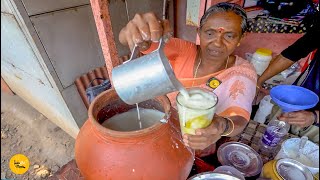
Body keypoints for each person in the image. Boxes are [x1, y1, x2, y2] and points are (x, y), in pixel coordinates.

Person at [119, 3, 257, 155]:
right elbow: (129, 39)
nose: (217, 43)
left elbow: (240, 120)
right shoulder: (181, 50)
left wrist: (221, 126)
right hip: (158, 132)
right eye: (209, 33)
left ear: (241, 38)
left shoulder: (242, 72)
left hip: (198, 146)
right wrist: (136, 31)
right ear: (199, 32)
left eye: (229, 36)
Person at [257, 11, 319, 142]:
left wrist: (315, 116)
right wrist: (259, 81)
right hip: (297, 100)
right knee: (270, 141)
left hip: (316, 126)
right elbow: (293, 52)